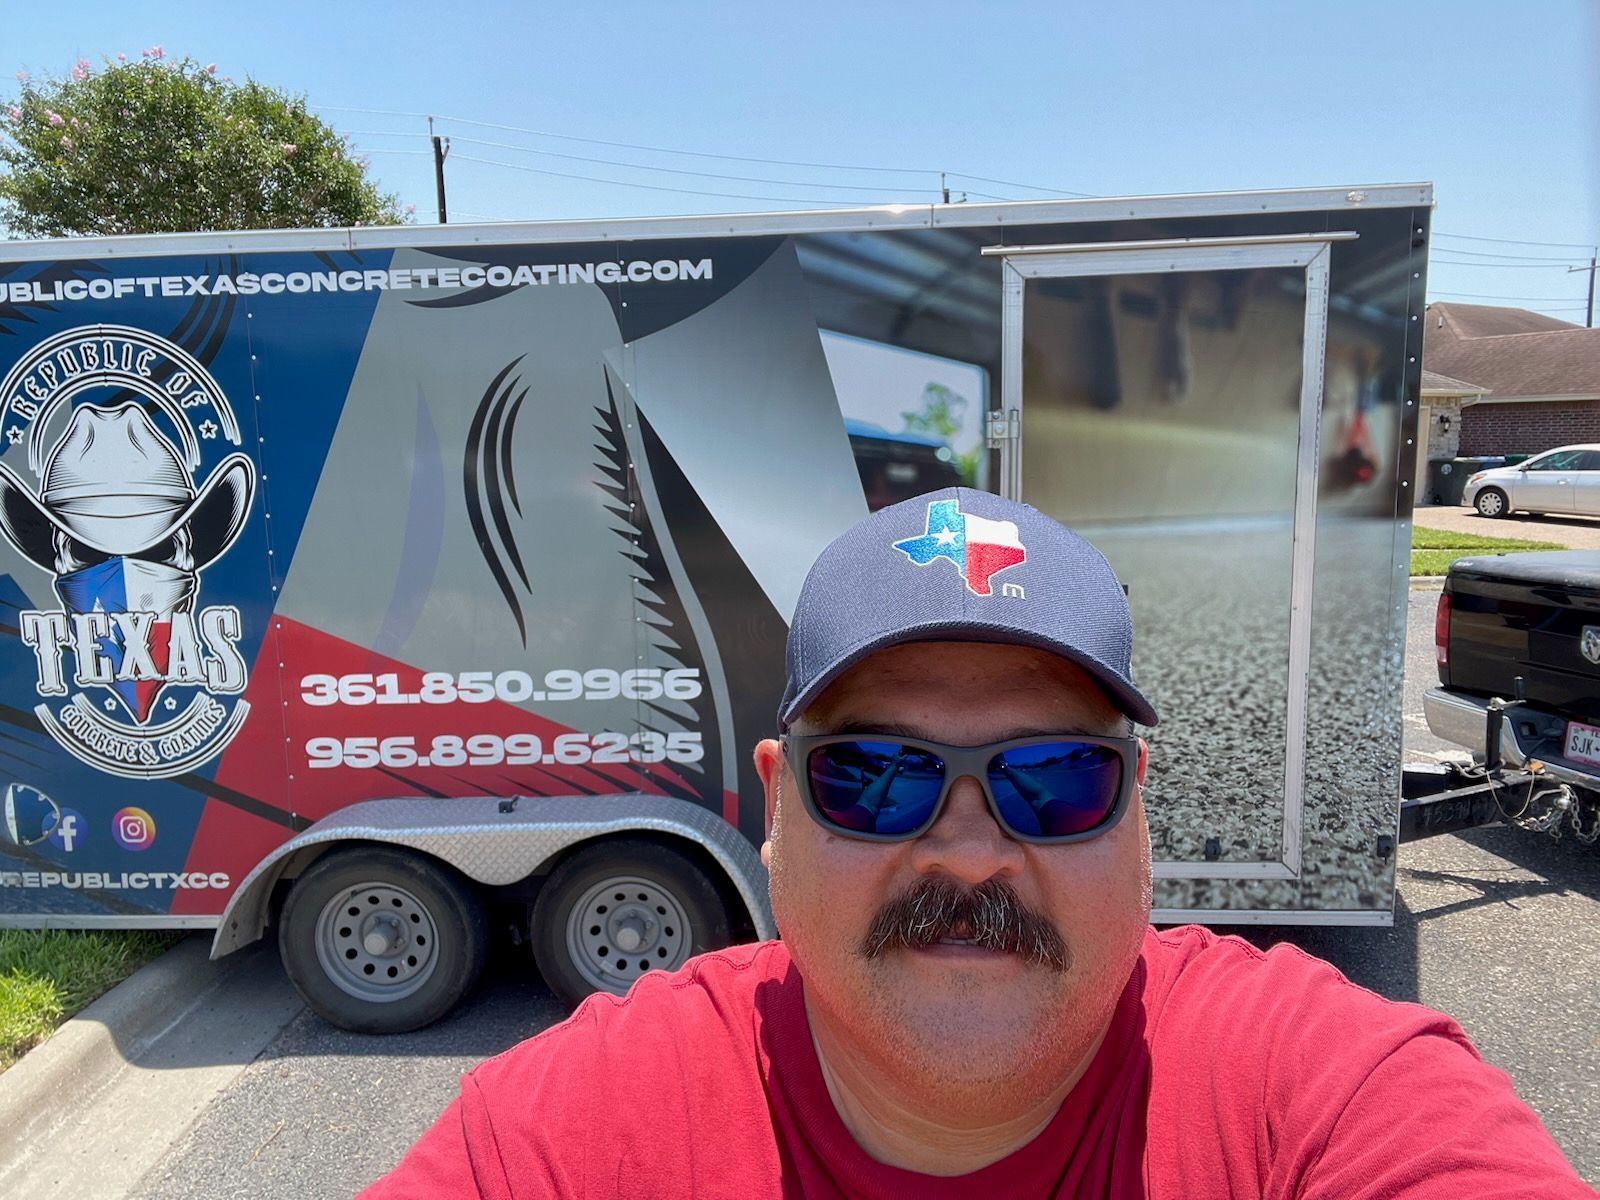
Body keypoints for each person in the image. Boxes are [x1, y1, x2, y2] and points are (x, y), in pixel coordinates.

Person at [363, 488, 1592, 1198]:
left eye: (1051, 780)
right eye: (878, 777)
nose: (968, 852)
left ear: (1136, 808)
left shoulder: (1323, 1100)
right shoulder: (575, 1133)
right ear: (777, 806)